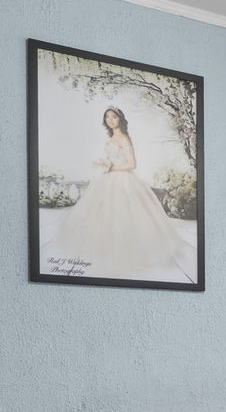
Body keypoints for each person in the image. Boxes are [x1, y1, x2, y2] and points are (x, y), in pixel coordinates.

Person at [39, 106, 196, 282]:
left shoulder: (124, 138)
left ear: (120, 119)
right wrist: (104, 163)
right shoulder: (112, 138)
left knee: (127, 214)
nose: (110, 120)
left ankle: (133, 253)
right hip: (109, 178)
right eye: (107, 117)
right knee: (103, 216)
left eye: (114, 116)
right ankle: (104, 250)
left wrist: (111, 167)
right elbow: (115, 158)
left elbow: (132, 164)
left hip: (123, 179)